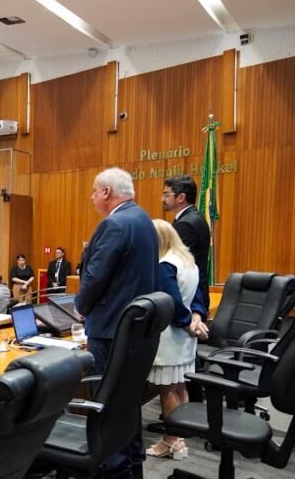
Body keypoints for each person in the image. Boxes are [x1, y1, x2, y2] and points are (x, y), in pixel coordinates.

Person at [75, 167, 159, 478]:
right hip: (132, 332)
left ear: (107, 192)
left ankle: (114, 469)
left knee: (108, 405)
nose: (92, 197)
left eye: (95, 191)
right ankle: (131, 466)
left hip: (110, 330)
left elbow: (95, 276)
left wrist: (80, 308)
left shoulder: (114, 224)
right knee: (126, 403)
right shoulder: (143, 220)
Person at [147, 219, 201, 460]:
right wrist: (195, 320)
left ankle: (171, 441)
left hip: (170, 334)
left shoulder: (164, 264)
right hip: (186, 337)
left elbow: (171, 302)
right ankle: (181, 437)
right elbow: (196, 296)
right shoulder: (188, 262)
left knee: (168, 388)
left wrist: (186, 322)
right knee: (180, 386)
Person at [162, 176, 211, 340]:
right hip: (194, 292)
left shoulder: (186, 224)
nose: (163, 199)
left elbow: (178, 262)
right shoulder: (192, 218)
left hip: (188, 295)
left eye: (167, 194)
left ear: (181, 197)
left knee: (184, 343)